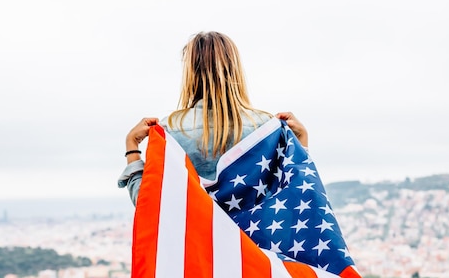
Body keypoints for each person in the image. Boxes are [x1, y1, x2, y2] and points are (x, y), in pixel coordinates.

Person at [118, 31, 308, 205]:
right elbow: (293, 196)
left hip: (197, 243)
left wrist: (132, 146)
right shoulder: (266, 129)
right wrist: (301, 144)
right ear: (235, 69)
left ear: (190, 74)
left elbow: (149, 206)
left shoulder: (169, 132)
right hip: (255, 243)